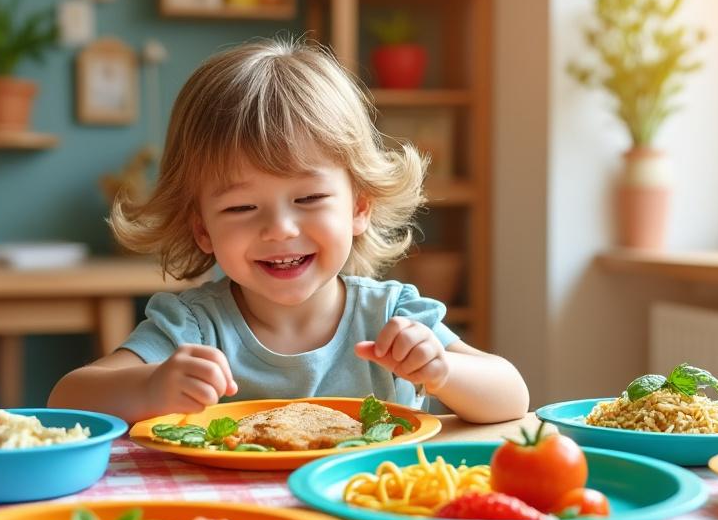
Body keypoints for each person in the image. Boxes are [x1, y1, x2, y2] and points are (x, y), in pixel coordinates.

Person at [48, 37, 528, 424]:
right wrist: (150, 387)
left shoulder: (390, 315)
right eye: (241, 207)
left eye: (309, 199)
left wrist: (442, 371)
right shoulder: (193, 327)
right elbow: (66, 399)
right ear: (202, 229)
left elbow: (512, 396)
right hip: (232, 513)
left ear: (359, 206)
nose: (279, 229)